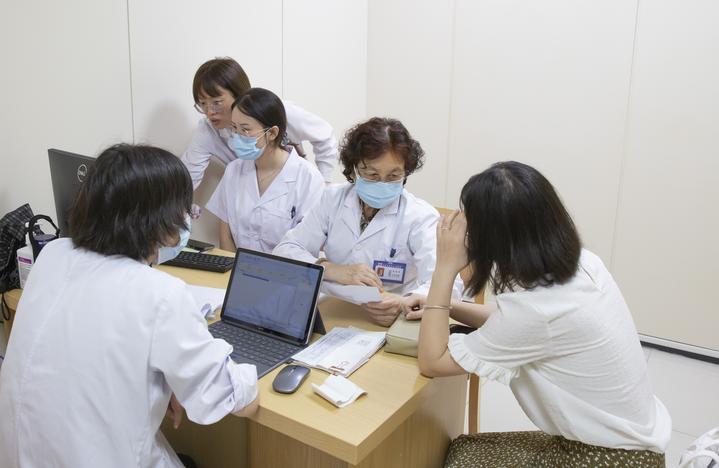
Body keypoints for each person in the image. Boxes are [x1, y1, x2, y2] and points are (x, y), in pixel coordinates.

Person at [0, 144, 259, 468]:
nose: (186, 219)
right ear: (157, 219)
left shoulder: (54, 255)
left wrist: (160, 378)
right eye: (183, 209)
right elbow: (231, 397)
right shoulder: (160, 294)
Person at [415, 161, 671, 467]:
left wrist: (445, 268)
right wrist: (448, 307)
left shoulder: (536, 312)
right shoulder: (584, 263)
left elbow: (432, 361)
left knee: (463, 456)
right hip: (631, 442)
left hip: (610, 458)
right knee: (467, 446)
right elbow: (513, 320)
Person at [273, 117, 462, 327]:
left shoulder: (420, 216)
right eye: (372, 174)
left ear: (406, 173)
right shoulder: (332, 199)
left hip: (394, 320)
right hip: (336, 309)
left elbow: (449, 285)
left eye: (393, 176)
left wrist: (403, 302)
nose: (382, 183)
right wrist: (332, 269)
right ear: (354, 169)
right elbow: (286, 250)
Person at [181, 57, 337, 189]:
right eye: (202, 104)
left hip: (294, 192)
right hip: (251, 198)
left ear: (239, 95)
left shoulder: (278, 111)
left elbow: (324, 135)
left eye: (217, 102)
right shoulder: (207, 130)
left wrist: (323, 185)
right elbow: (187, 177)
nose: (209, 112)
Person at [205, 87, 324, 253]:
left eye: (245, 129)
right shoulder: (234, 170)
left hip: (287, 267)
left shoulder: (308, 178)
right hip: (237, 266)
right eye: (234, 128)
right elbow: (226, 235)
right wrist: (232, 267)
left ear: (272, 133)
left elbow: (307, 244)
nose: (237, 136)